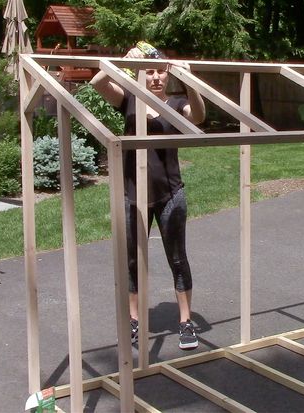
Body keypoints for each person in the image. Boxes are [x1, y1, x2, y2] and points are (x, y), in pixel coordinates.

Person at [90, 45, 206, 350]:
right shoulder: (129, 99)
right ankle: (134, 320)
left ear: (168, 74)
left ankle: (185, 322)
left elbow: (200, 116)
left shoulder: (177, 103)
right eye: (150, 71)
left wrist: (191, 81)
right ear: (142, 74)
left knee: (177, 258)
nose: (155, 77)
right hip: (134, 196)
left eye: (160, 71)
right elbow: (98, 84)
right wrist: (121, 63)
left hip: (170, 194)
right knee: (132, 261)